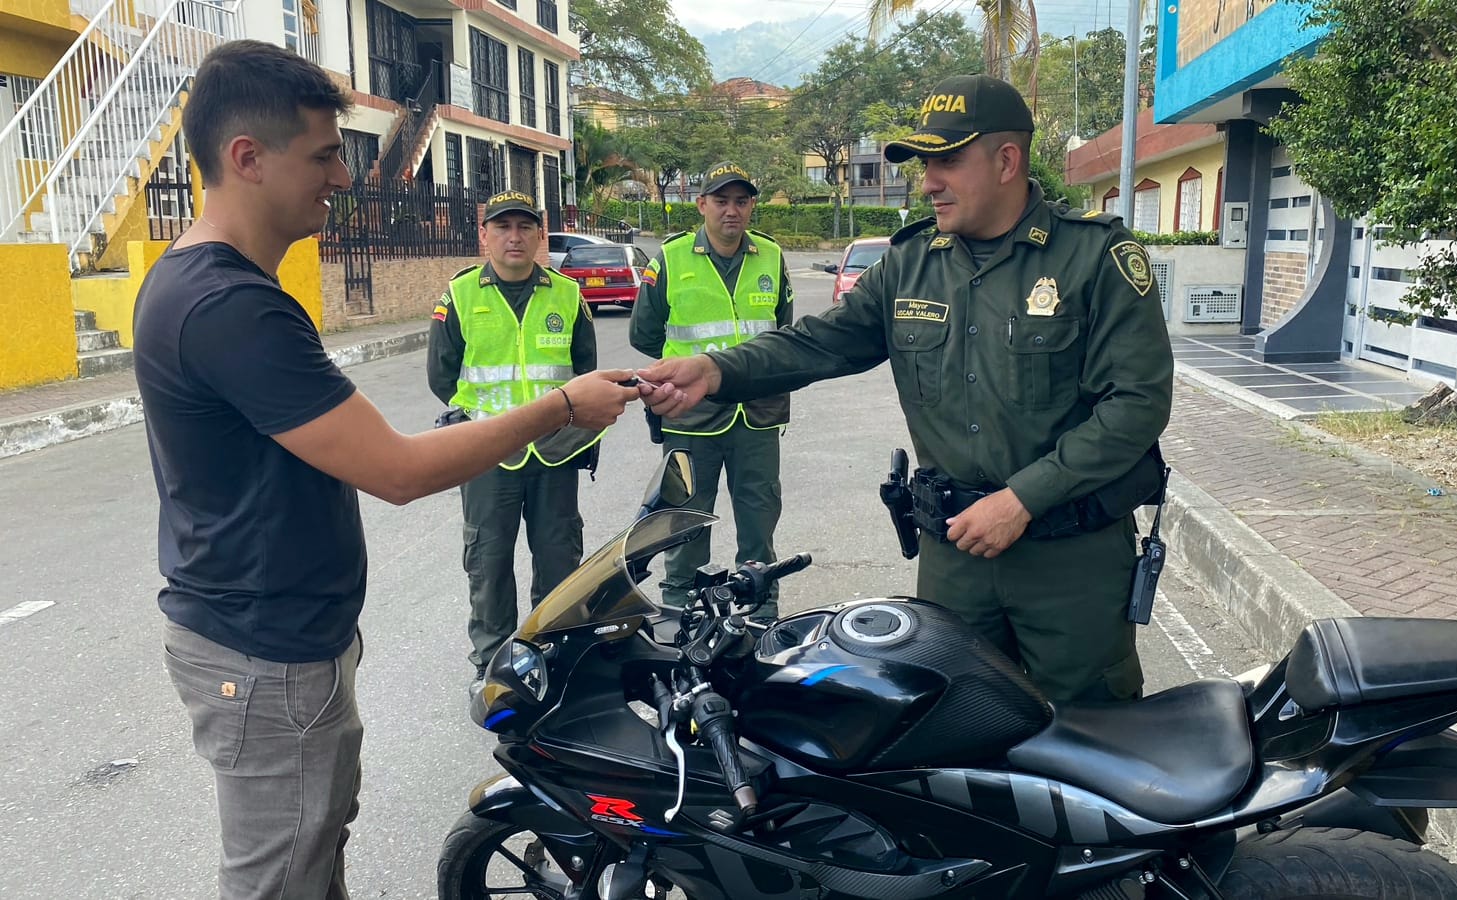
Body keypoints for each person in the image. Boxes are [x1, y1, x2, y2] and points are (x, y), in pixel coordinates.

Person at [131, 41, 637, 900]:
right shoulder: (229, 307)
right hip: (263, 653)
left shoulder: (209, 285)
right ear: (246, 159)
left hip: (280, 640)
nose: (342, 177)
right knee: (280, 878)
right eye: (324, 155)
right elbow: (396, 470)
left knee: (311, 855)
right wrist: (559, 407)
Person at [639, 76, 1174, 705]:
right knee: (956, 735)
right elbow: (820, 341)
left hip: (1069, 561)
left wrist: (1022, 499)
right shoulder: (911, 262)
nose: (928, 182)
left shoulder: (1094, 256)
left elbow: (1137, 405)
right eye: (924, 164)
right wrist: (716, 370)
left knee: (1088, 743)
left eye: (947, 161)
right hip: (957, 558)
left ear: (1007, 161)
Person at [427, 191, 602, 692]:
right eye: (503, 227)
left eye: (525, 227)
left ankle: (554, 652)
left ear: (540, 236)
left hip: (554, 453)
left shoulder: (567, 295)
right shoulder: (460, 296)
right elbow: (443, 376)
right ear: (484, 235)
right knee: (488, 561)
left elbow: (583, 374)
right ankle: (494, 664)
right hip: (485, 455)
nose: (514, 237)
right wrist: (489, 423)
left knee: (558, 558)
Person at [629, 162, 795, 621]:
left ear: (751, 206)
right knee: (685, 516)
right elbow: (645, 335)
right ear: (701, 205)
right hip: (691, 413)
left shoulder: (771, 256)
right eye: (721, 201)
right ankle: (682, 608)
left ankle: (761, 610)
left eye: (741, 201)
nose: (732, 210)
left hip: (758, 414)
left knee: (759, 515)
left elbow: (783, 332)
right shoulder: (670, 259)